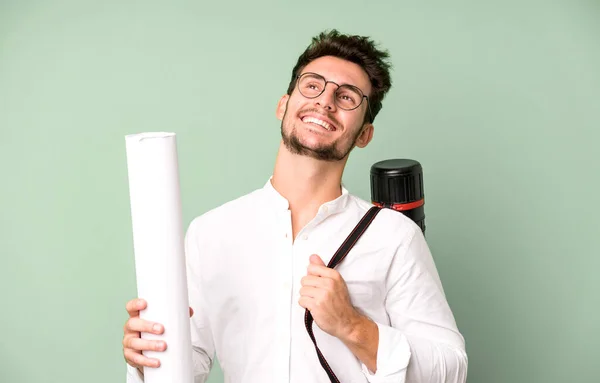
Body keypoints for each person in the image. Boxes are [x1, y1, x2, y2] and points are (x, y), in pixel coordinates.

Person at [122, 29, 468, 383]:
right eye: (313, 85)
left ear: (364, 134)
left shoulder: (395, 237)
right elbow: (189, 364)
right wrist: (146, 357)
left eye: (347, 96)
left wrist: (352, 326)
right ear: (283, 105)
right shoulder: (210, 232)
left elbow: (451, 368)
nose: (325, 101)